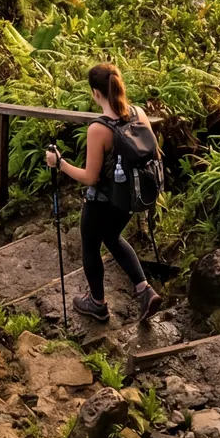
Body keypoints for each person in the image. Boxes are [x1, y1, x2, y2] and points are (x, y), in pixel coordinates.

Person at [44, 63, 162, 325]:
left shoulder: (99, 129)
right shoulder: (138, 114)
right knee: (112, 236)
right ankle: (144, 290)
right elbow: (153, 153)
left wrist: (59, 163)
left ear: (96, 93)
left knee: (90, 243)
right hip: (130, 198)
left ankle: (97, 304)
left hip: (102, 201)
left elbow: (91, 177)